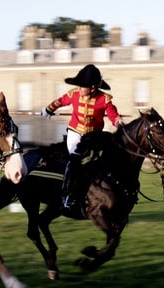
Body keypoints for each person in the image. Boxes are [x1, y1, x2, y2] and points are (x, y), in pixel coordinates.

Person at [41, 64, 124, 210]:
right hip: (75, 133)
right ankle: (67, 195)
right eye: (78, 85)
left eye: (82, 86)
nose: (79, 88)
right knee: (75, 161)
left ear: (92, 88)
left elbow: (113, 114)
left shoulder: (104, 99)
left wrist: (118, 121)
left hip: (94, 136)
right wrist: (48, 109)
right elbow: (60, 101)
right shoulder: (73, 94)